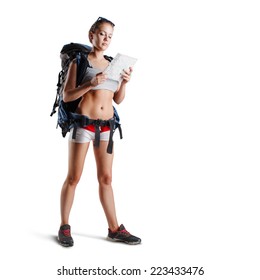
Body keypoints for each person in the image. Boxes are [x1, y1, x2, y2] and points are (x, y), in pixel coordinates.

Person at [58, 17, 141, 246]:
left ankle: (114, 229)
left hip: (106, 127)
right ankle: (64, 226)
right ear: (91, 35)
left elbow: (117, 100)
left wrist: (124, 82)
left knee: (106, 178)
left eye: (110, 36)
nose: (106, 39)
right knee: (74, 177)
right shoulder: (79, 61)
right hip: (83, 124)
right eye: (102, 33)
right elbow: (68, 96)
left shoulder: (113, 63)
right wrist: (90, 84)